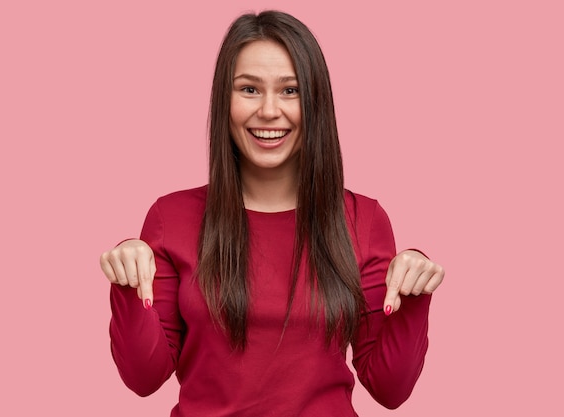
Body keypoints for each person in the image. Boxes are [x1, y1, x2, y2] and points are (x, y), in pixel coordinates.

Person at [100, 10, 444, 417]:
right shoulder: (169, 218)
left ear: (316, 102)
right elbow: (143, 378)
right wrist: (127, 281)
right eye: (248, 89)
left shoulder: (363, 220)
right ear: (223, 100)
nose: (268, 111)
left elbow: (390, 388)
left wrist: (413, 296)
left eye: (290, 91)